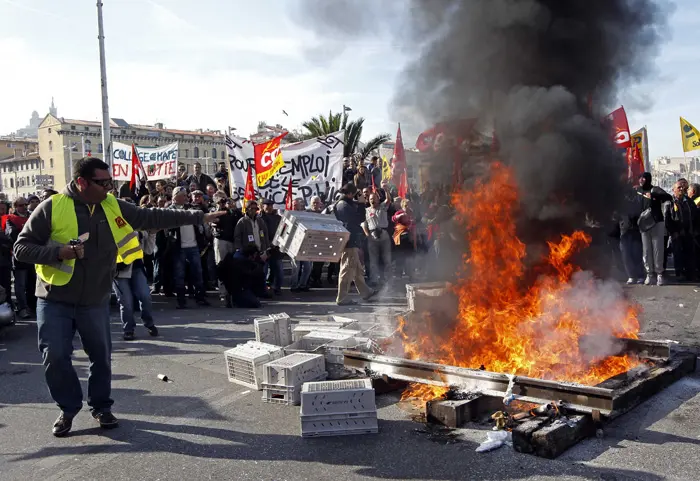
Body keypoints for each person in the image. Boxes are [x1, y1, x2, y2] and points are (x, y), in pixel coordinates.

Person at [13, 157, 225, 437]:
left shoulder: (112, 205)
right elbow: (21, 249)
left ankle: (101, 406)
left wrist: (198, 216)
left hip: (95, 299)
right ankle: (67, 408)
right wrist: (58, 252)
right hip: (54, 299)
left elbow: (153, 217)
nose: (109, 187)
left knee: (101, 357)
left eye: (110, 182)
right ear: (81, 182)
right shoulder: (51, 207)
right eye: (103, 183)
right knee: (55, 355)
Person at [167, 186, 212, 309]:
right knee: (179, 274)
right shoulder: (169, 210)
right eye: (183, 195)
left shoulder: (190, 208)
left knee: (198, 273)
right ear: (176, 196)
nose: (186, 197)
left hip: (193, 245)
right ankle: (181, 301)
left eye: (186, 195)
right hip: (179, 247)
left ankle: (200, 298)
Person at [334, 183, 377, 305]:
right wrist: (362, 204)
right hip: (349, 240)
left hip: (350, 239)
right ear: (349, 194)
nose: (354, 197)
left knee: (357, 269)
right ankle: (342, 298)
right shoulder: (344, 205)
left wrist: (358, 203)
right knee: (347, 269)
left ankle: (366, 292)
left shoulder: (344, 203)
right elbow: (359, 219)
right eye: (353, 194)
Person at [113, 231, 158, 340]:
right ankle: (128, 329)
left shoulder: (140, 225)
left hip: (137, 268)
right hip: (119, 270)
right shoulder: (116, 222)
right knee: (126, 301)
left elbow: (148, 250)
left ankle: (149, 323)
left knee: (145, 296)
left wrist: (152, 233)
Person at [637, 172, 672, 286]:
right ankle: (650, 274)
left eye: (642, 178)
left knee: (658, 249)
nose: (640, 180)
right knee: (646, 251)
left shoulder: (655, 190)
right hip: (644, 225)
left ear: (647, 179)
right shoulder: (638, 191)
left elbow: (668, 197)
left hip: (656, 223)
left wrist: (653, 197)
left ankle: (659, 274)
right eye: (639, 178)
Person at [211, 191, 241, 306]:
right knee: (221, 266)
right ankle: (223, 293)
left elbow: (238, 218)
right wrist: (220, 207)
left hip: (232, 241)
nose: (224, 201)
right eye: (221, 199)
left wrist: (233, 206)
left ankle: (232, 292)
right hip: (221, 240)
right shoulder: (215, 211)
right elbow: (214, 221)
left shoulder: (232, 212)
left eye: (225, 199)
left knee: (232, 267)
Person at [6, 197, 34, 318]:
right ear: (15, 206)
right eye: (21, 205)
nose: (24, 207)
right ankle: (23, 308)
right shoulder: (10, 219)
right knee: (20, 284)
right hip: (20, 256)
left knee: (32, 283)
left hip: (33, 254)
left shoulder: (32, 216)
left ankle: (32, 306)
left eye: (25, 204)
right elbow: (12, 235)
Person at [667, 180, 698, 281]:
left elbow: (695, 216)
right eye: (679, 187)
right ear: (674, 189)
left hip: (688, 232)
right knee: (678, 254)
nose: (681, 189)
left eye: (682, 187)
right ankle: (679, 274)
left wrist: (693, 229)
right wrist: (674, 231)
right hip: (676, 233)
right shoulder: (670, 202)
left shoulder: (689, 201)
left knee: (690, 254)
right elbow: (667, 218)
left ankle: (690, 273)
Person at [363, 187, 393, 286]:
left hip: (384, 234)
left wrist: (386, 190)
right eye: (371, 199)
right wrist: (368, 235)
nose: (372, 200)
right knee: (373, 260)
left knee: (387, 259)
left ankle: (388, 279)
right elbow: (364, 224)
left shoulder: (382, 207)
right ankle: (374, 279)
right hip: (372, 236)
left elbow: (388, 200)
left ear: (378, 199)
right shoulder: (366, 210)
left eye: (374, 198)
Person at [261, 199, 284, 294]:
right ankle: (263, 289)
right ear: (262, 206)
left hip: (275, 248)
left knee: (278, 270)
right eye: (267, 205)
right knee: (264, 271)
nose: (269, 207)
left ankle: (276, 288)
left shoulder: (277, 218)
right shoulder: (259, 218)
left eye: (271, 205)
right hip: (264, 248)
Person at [290, 198, 312, 292]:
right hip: (294, 244)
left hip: (305, 244)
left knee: (307, 267)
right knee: (296, 267)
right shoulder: (290, 215)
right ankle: (294, 286)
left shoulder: (305, 215)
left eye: (296, 205)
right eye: (293, 205)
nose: (294, 207)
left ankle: (302, 284)